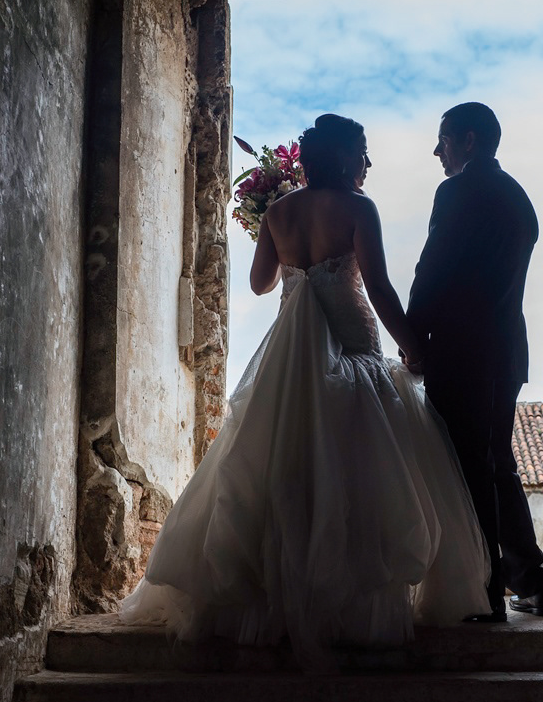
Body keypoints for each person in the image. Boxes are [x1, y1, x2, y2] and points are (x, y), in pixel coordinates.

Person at [118, 113, 492, 671]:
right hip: (351, 340)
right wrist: (414, 346)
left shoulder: (277, 212)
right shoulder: (360, 209)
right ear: (344, 159)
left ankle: (275, 601)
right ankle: (353, 606)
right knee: (360, 465)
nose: (368, 164)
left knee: (281, 464)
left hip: (289, 351)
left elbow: (260, 283)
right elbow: (382, 289)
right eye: (363, 153)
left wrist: (286, 249)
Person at [407, 102, 543, 619]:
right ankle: (532, 583)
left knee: (470, 469)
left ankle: (487, 590)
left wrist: (412, 335)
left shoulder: (458, 191)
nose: (437, 150)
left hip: (462, 350)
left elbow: (434, 268)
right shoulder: (519, 198)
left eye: (443, 139)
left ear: (469, 140)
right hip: (505, 350)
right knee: (498, 464)